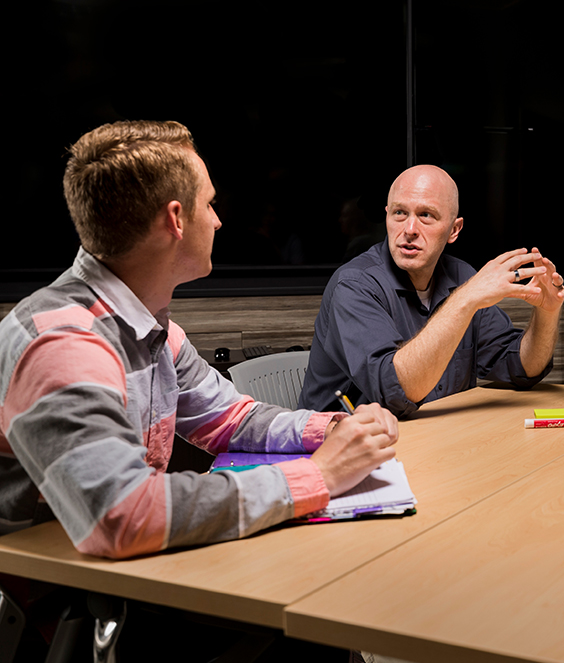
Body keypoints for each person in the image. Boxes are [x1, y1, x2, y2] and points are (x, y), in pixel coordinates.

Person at [0, 120, 398, 559]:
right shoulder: (64, 344)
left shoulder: (152, 327)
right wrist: (318, 476)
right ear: (175, 219)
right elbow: (123, 518)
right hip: (47, 601)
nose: (218, 219)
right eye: (208, 204)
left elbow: (231, 419)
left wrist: (334, 429)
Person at [298, 165, 564, 418]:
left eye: (426, 215)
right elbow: (396, 392)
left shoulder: (461, 276)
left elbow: (520, 367)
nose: (410, 230)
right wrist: (465, 300)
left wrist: (547, 312)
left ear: (454, 230)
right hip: (341, 453)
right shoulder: (355, 284)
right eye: (399, 213)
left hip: (434, 439)